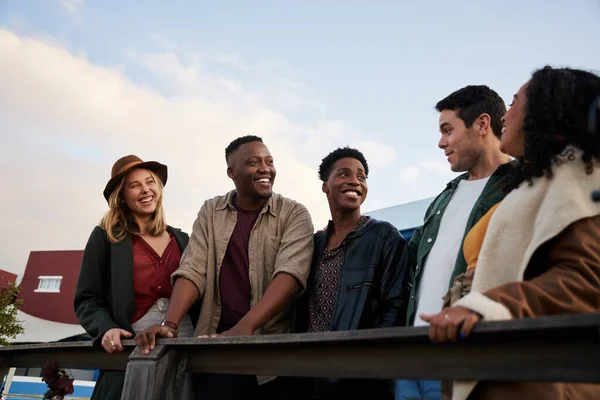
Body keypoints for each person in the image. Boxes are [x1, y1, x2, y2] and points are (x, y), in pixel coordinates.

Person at [423, 66, 600, 399]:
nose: (507, 111)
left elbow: (587, 276)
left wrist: (483, 305)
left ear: (547, 110)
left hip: (540, 382)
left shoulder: (581, 177)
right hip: (496, 367)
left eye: (516, 100)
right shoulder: (538, 182)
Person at [135, 135, 314, 400]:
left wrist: (246, 327)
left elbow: (290, 274)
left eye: (269, 161)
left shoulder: (294, 214)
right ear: (232, 172)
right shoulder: (211, 211)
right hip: (215, 350)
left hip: (272, 357)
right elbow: (193, 270)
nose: (265, 168)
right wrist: (169, 324)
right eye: (253, 162)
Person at [397, 86, 512, 400]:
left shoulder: (521, 185)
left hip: (468, 357)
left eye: (448, 130)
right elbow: (403, 259)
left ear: (482, 124)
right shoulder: (445, 196)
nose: (441, 142)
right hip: (413, 356)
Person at [74, 155, 199, 400]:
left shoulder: (183, 239)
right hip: (133, 342)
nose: (145, 190)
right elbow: (86, 299)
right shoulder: (105, 237)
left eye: (150, 182)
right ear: (121, 196)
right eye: (134, 185)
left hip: (186, 339)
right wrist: (106, 328)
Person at [292, 147, 409, 400]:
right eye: (344, 174)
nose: (355, 181)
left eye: (362, 176)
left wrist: (366, 360)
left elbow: (396, 307)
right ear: (326, 185)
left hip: (360, 380)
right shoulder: (312, 244)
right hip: (307, 377)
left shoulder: (385, 237)